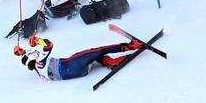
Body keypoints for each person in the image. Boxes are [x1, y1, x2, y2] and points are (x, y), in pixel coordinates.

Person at [13, 35, 143, 80]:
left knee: (92, 57)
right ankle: (130, 46)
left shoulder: (37, 69)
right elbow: (49, 44)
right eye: (33, 52)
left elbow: (27, 58)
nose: (35, 51)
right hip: (73, 65)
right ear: (33, 57)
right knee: (98, 50)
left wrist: (22, 52)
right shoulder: (40, 61)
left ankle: (112, 62)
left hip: (79, 72)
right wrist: (38, 40)